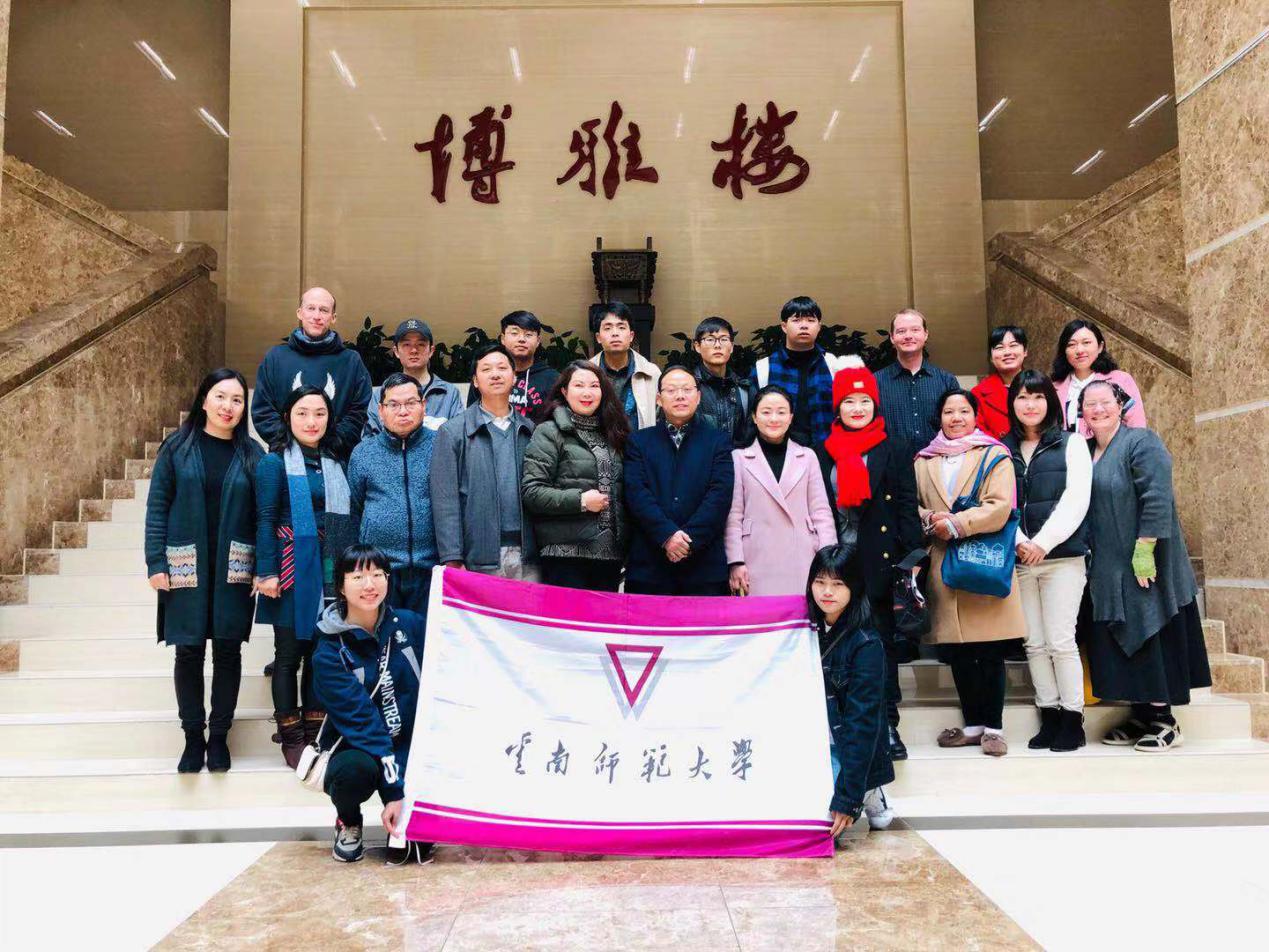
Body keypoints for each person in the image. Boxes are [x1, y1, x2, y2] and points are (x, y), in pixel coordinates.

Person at [1080, 380, 1210, 751]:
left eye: (1105, 402)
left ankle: (1165, 720)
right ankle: (1140, 715)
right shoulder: (1084, 450)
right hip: (1107, 566)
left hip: (1146, 562)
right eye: (1090, 404)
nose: (1098, 409)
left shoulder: (1141, 442)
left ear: (1121, 405)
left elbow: (1157, 496)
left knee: (1151, 630)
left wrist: (1145, 548)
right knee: (1121, 638)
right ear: (1082, 412)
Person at [145, 369, 262, 774]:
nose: (228, 406)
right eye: (221, 396)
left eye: (237, 400)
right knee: (188, 650)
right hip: (184, 564)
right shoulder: (177, 448)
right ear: (204, 399)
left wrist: (263, 568)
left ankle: (219, 737)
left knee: (228, 651)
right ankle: (193, 737)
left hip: (236, 565)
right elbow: (157, 507)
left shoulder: (253, 454)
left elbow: (263, 516)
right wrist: (155, 562)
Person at [818, 357, 923, 760]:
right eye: (849, 401)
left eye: (864, 401)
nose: (857, 408)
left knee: (880, 646)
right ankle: (842, 723)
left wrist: (911, 558)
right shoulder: (823, 450)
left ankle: (888, 725)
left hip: (880, 563)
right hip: (837, 564)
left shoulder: (893, 447)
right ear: (837, 407)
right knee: (837, 646)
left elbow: (907, 506)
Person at [914, 389, 1025, 757]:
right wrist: (930, 519)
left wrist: (958, 524)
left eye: (964, 410)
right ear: (940, 417)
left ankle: (994, 728)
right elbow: (913, 504)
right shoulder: (923, 460)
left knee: (989, 650)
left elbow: (1000, 506)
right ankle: (973, 726)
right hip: (942, 564)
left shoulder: (994, 455)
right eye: (949, 411)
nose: (956, 418)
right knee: (958, 651)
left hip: (982, 559)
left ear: (975, 416)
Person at [254, 386, 355, 768]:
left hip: (330, 566)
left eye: (319, 413)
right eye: (302, 413)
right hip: (290, 567)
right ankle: (291, 733)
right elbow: (264, 519)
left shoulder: (336, 461)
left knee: (319, 650)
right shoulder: (274, 462)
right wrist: (266, 571)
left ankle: (315, 730)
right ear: (287, 418)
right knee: (288, 654)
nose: (311, 421)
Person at [312, 545, 429, 865]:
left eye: (378, 575)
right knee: (353, 772)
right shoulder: (328, 652)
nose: (369, 585)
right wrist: (395, 791)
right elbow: (365, 725)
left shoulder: (410, 625)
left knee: (411, 851)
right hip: (360, 747)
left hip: (409, 747)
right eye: (358, 577)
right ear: (340, 585)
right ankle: (348, 820)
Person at [1002, 370, 1092, 752]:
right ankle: (1049, 714)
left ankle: (1073, 719)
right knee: (1034, 643)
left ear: (1050, 402)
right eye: (1022, 397)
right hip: (1021, 560)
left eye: (1037, 397)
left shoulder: (1072, 443)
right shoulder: (1001, 448)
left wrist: (1043, 542)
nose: (1030, 404)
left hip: (1063, 559)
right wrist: (1022, 543)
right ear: (1012, 404)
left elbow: (1077, 499)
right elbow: (999, 502)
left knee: (1060, 640)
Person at [808, 545, 896, 843]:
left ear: (854, 587)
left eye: (838, 584)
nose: (827, 592)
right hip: (810, 743)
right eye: (820, 582)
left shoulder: (866, 644)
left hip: (845, 746)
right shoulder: (800, 628)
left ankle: (869, 786)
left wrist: (847, 798)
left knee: (821, 833)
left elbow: (862, 723)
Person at [623, 366, 734, 595]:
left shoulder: (718, 442)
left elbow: (719, 495)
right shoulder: (639, 442)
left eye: (686, 389)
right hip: (650, 565)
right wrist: (666, 535)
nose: (680, 396)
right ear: (659, 399)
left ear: (698, 396)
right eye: (672, 390)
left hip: (704, 567)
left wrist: (687, 542)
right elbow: (636, 493)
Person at [431, 343, 538, 579]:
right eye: (486, 369)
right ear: (475, 381)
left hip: (529, 554)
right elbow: (445, 500)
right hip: (478, 556)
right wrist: (452, 557)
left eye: (502, 368)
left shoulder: (530, 430)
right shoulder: (452, 432)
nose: (495, 374)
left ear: (514, 377)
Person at [522, 361, 630, 591]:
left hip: (610, 557)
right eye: (579, 385)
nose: (587, 392)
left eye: (594, 386)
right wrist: (580, 501)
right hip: (564, 555)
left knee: (604, 616)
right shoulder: (549, 432)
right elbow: (532, 492)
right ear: (564, 391)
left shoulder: (615, 433)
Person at [725, 386, 836, 596]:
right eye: (766, 412)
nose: (774, 419)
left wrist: (829, 557)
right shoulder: (739, 458)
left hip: (803, 555)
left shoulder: (807, 456)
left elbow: (821, 512)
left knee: (801, 613)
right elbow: (734, 516)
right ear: (754, 417)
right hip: (755, 557)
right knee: (760, 615)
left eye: (781, 412)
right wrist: (735, 561)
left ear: (791, 417)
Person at [348, 373, 437, 613]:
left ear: (423, 406)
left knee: (425, 635)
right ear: (380, 410)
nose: (403, 411)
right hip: (379, 572)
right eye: (394, 405)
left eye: (411, 403)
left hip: (432, 569)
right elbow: (354, 510)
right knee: (383, 635)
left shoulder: (442, 445)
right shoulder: (363, 453)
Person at [252, 287, 373, 455]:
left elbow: (360, 410)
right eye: (311, 308)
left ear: (333, 317)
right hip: (285, 456)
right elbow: (262, 410)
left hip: (337, 457)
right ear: (299, 313)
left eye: (324, 310)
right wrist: (291, 444)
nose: (317, 316)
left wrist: (331, 444)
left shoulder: (351, 361)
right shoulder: (276, 357)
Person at [748, 296, 850, 449]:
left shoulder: (834, 365)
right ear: (784, 326)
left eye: (810, 320)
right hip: (779, 454)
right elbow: (752, 419)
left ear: (819, 326)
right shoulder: (764, 368)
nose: (804, 326)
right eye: (796, 320)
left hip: (829, 453)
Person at [875, 308, 960, 457]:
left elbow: (958, 426)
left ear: (925, 334)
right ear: (892, 337)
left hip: (938, 463)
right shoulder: (875, 382)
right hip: (891, 466)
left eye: (915, 330)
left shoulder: (946, 381)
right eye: (901, 331)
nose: (908, 336)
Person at [363, 319, 463, 438]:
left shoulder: (449, 393)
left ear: (431, 351)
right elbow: (369, 441)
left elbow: (458, 438)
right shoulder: (381, 394)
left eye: (420, 344)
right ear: (396, 351)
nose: (414, 350)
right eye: (406, 345)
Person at [1050, 318, 1147, 436]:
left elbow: (1137, 427)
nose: (1079, 350)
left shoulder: (1120, 380)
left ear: (1100, 347)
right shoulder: (1052, 389)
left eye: (1086, 343)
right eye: (1071, 345)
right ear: (1064, 351)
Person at [466, 310, 560, 423]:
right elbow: (471, 419)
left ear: (538, 341)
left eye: (528, 335)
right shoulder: (487, 375)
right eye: (514, 333)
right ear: (503, 338)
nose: (521, 339)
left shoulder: (552, 379)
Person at [588, 302, 661, 430]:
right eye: (608, 328)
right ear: (598, 338)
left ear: (631, 336)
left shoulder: (651, 372)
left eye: (621, 327)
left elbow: (661, 418)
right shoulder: (586, 373)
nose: (615, 333)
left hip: (640, 441)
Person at [691, 316, 753, 447]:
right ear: (697, 346)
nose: (718, 345)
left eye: (724, 339)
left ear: (732, 346)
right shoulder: (688, 387)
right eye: (710, 339)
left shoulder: (744, 389)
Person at [971, 325, 1028, 439]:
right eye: (999, 347)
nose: (1007, 352)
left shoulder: (1042, 386)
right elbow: (979, 435)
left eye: (1013, 345)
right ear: (991, 357)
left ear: (1025, 351)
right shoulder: (977, 394)